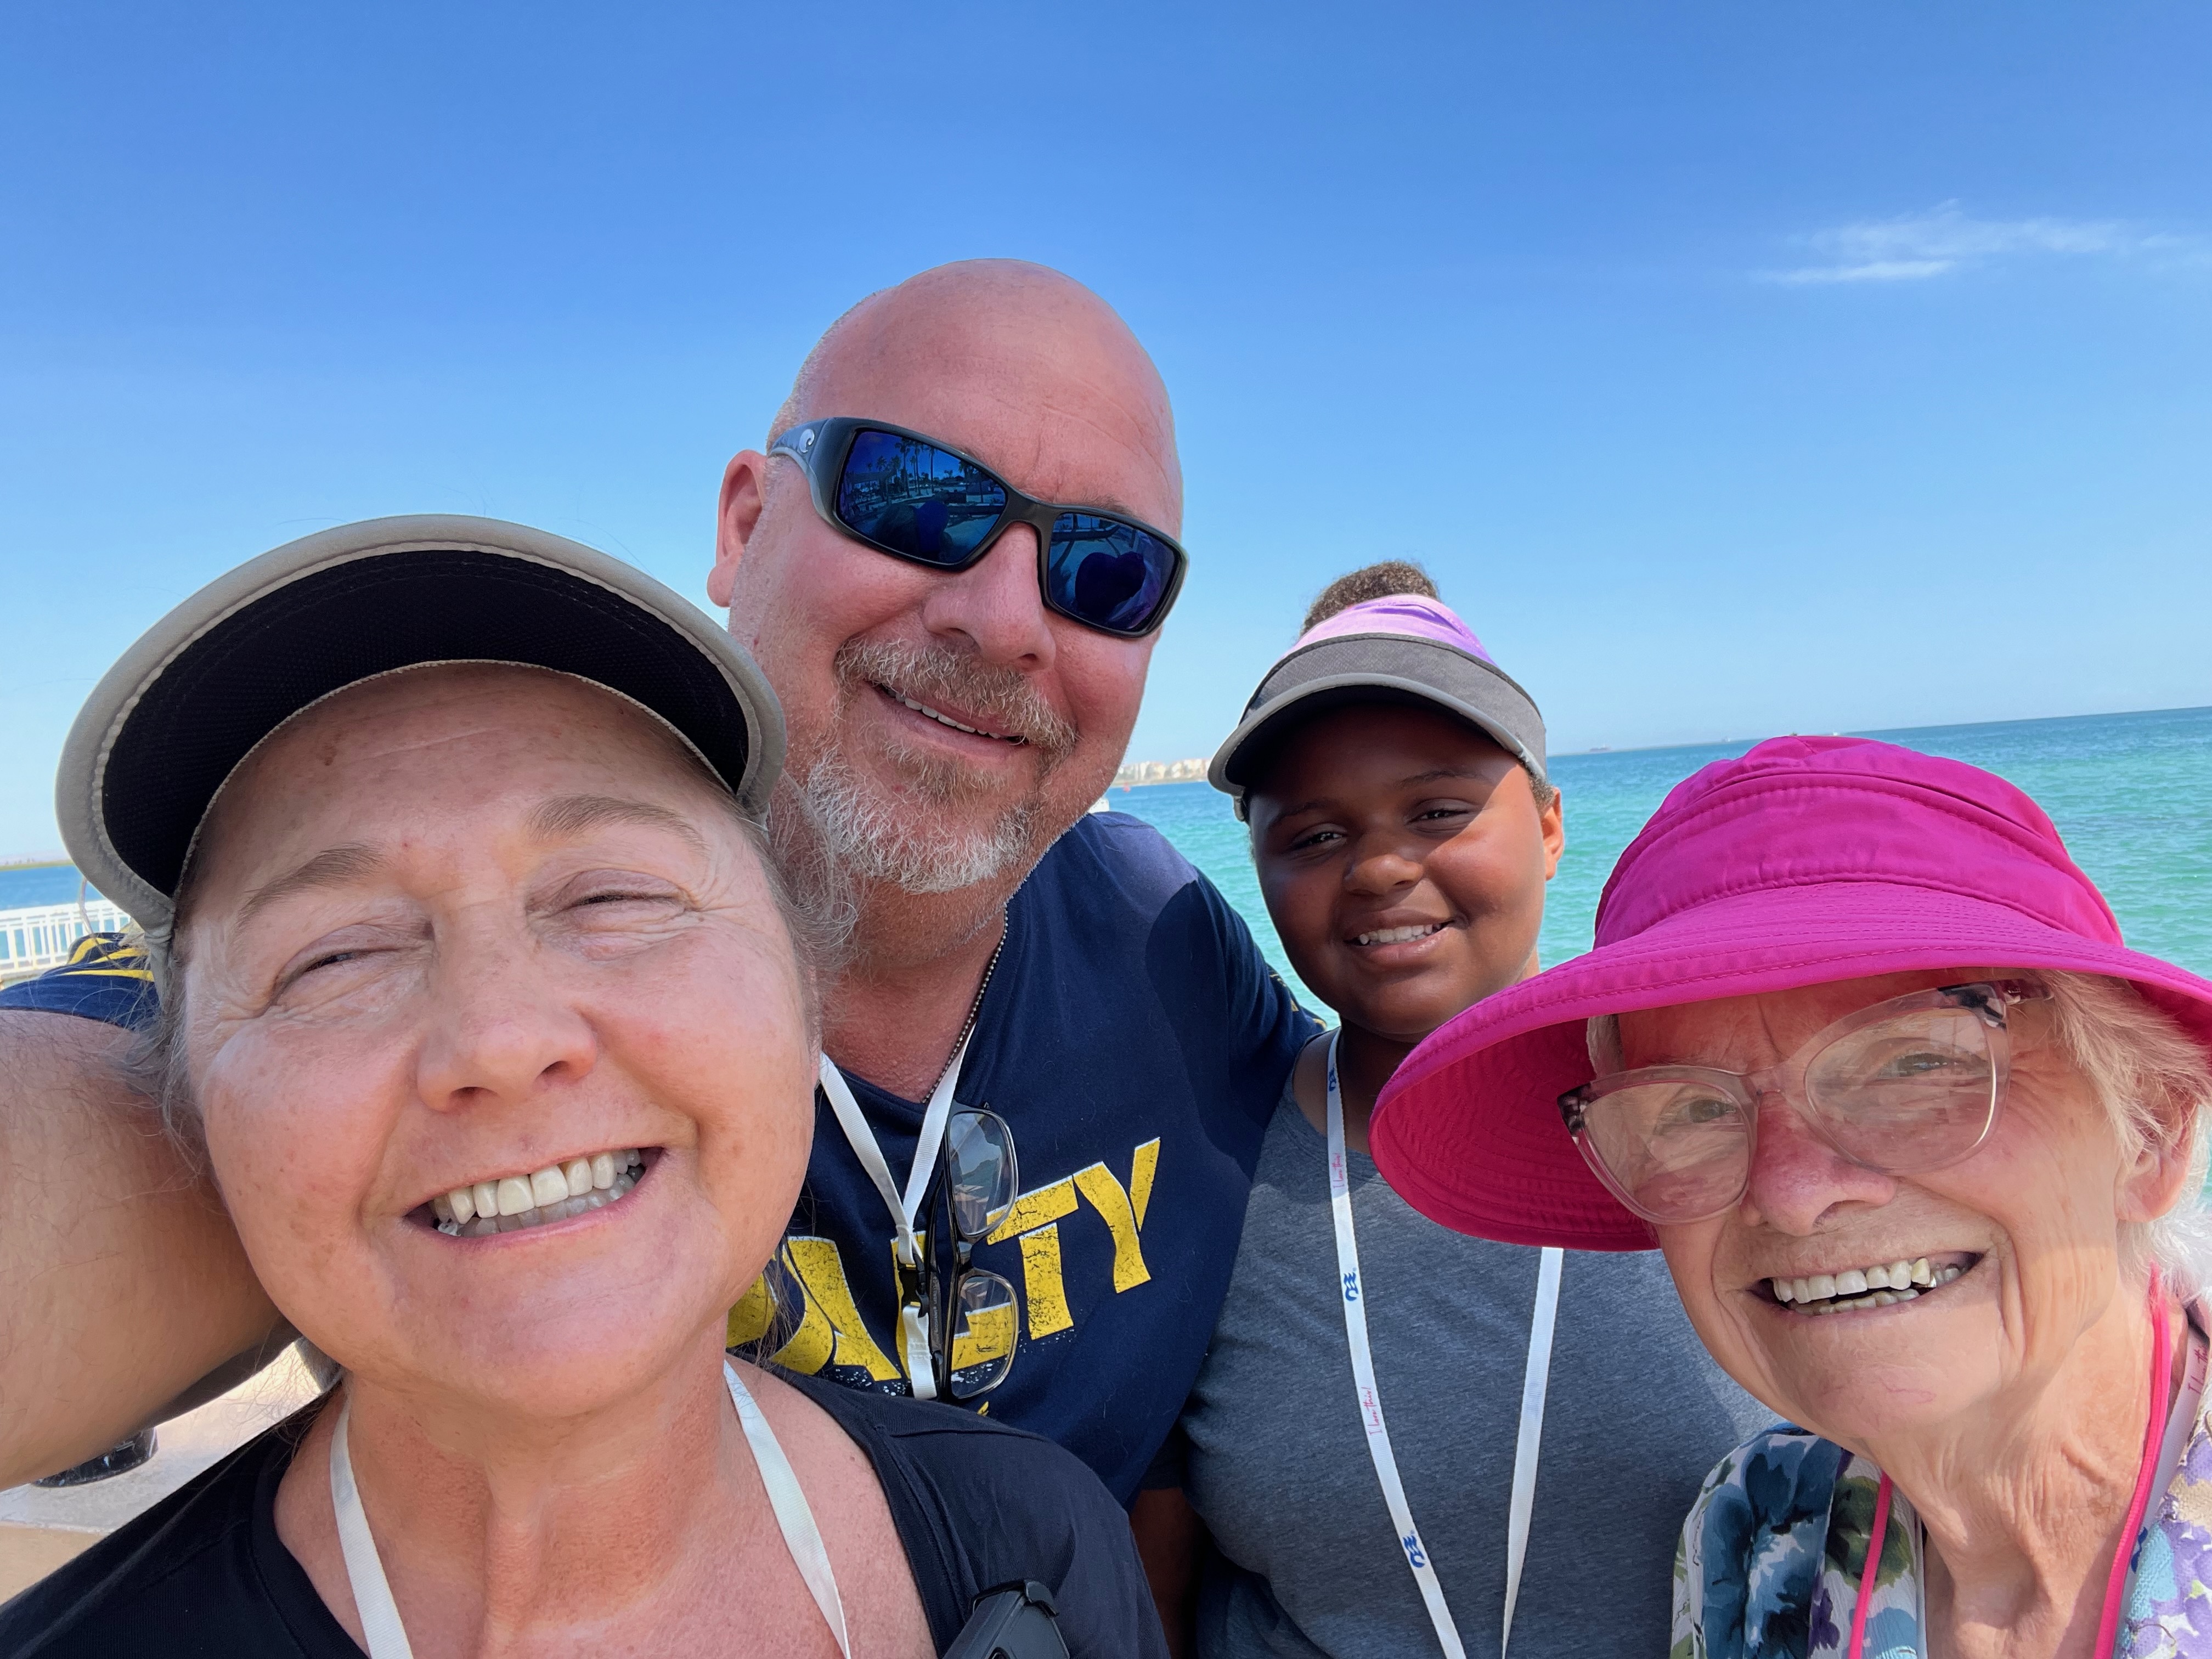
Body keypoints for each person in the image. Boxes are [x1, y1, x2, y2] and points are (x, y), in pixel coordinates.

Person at [0, 261, 1313, 1502]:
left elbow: (1393, 1135)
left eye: (1107, 571)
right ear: (746, 523)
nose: (1006, 618)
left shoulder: (1168, 936)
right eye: (918, 498)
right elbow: (117, 1122)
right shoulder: (462, 972)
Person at [0, 518, 1164, 1656]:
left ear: (802, 993)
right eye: (336, 956)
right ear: (194, 1105)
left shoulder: (1040, 1544)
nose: (502, 1038)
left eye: (614, 898)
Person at [1369, 735, 2212, 1658]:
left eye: (1918, 1064)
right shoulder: (1759, 1526)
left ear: (2152, 1132)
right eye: (1690, 1109)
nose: (1791, 1192)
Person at [1137, 563, 1767, 1657]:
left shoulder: (1733, 1128)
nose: (1380, 866)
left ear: (1554, 825)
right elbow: (1156, 1568)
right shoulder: (1209, 1175)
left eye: (1436, 809)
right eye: (1315, 836)